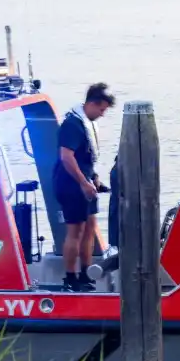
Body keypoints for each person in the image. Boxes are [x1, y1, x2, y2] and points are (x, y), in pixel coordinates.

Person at [53, 82, 115, 291]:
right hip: (71, 185)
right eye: (101, 109)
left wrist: (94, 178)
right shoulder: (73, 124)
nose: (102, 114)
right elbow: (67, 157)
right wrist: (83, 182)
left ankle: (86, 273)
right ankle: (70, 278)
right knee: (75, 232)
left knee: (90, 229)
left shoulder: (87, 124)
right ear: (91, 104)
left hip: (85, 183)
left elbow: (85, 158)